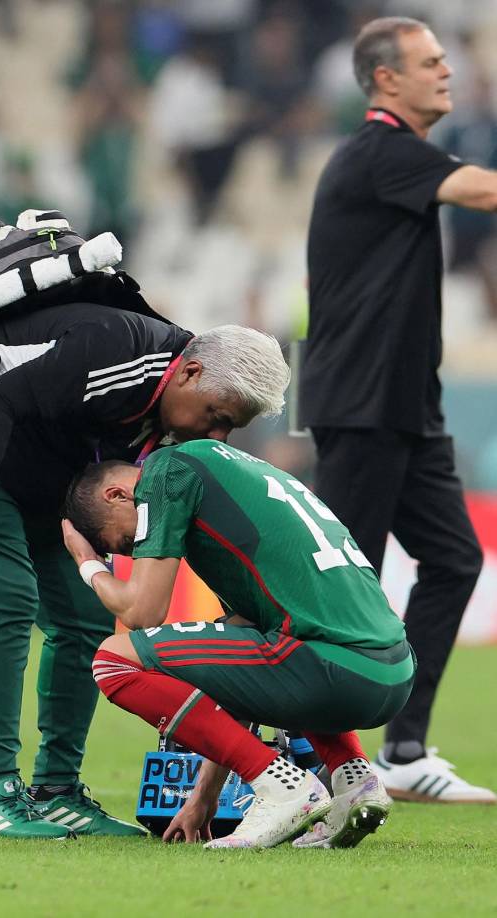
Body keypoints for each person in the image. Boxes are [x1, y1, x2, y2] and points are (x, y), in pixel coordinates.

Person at [0, 303, 290, 839]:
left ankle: (57, 790)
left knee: (86, 615)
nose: (218, 434)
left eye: (231, 427)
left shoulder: (176, 415)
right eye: (218, 416)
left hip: (40, 461)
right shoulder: (118, 351)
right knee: (6, 600)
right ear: (192, 373)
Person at [299, 17, 497, 804]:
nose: (446, 72)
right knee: (340, 588)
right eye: (429, 62)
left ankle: (403, 750)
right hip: (360, 405)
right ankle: (300, 760)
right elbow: (482, 190)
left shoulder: (397, 157)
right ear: (385, 80)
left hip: (406, 406)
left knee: (452, 560)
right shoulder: (377, 151)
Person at [62, 438, 415, 849]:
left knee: (114, 661)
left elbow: (142, 614)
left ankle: (286, 789)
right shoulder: (237, 480)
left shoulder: (167, 471)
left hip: (333, 669)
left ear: (118, 495)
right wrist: (204, 797)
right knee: (266, 649)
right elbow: (236, 678)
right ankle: (353, 778)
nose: (138, 550)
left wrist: (88, 564)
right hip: (392, 672)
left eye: (125, 544)